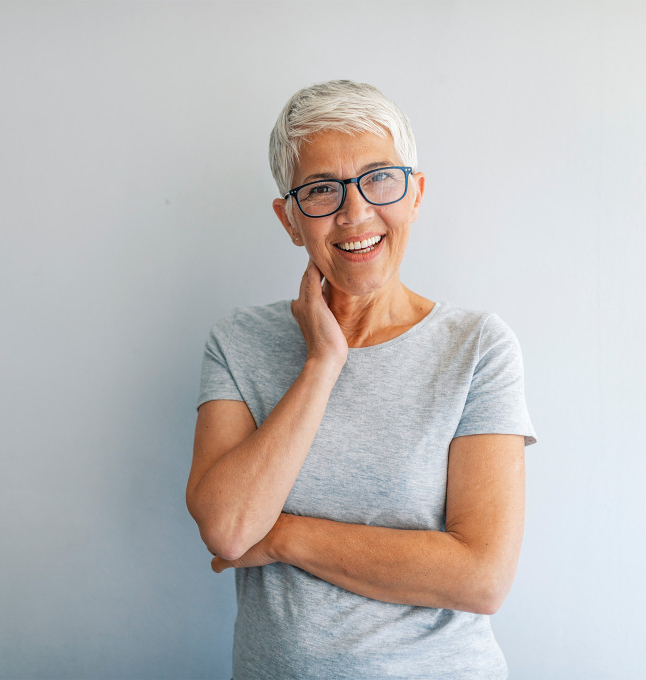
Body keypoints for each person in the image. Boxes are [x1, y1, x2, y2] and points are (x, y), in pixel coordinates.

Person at [186, 80, 536, 679]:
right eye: (321, 189)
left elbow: (481, 578)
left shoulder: (478, 347)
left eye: (380, 179)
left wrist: (285, 537)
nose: (355, 214)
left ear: (416, 193)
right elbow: (228, 528)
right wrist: (322, 364)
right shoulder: (237, 342)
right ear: (290, 219)